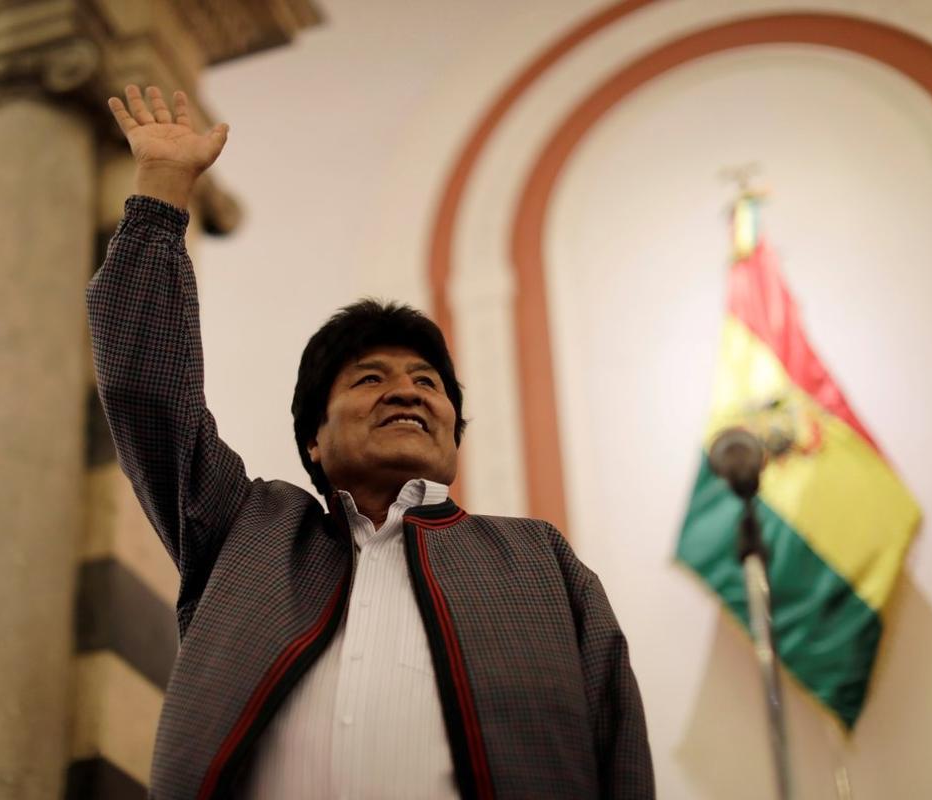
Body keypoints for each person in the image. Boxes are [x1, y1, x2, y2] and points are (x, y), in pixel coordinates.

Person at [89, 85, 654, 800]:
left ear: (453, 433)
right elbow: (147, 388)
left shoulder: (541, 564)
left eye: (427, 380)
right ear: (314, 443)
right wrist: (162, 192)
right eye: (369, 378)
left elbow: (620, 754)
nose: (407, 390)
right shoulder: (247, 534)